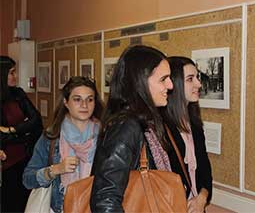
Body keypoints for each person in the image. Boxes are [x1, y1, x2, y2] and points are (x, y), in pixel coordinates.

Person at [90, 45, 173, 212]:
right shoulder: (126, 127)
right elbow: (105, 200)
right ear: (140, 82)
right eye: (163, 79)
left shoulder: (145, 123)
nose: (170, 85)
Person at [23, 76, 104, 213]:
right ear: (66, 102)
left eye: (89, 99)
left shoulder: (105, 137)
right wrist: (55, 170)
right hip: (61, 207)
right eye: (77, 99)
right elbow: (27, 179)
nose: (84, 105)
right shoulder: (51, 137)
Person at [162, 56, 213, 213]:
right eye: (190, 79)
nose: (199, 83)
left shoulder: (195, 124)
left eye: (197, 77)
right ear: (174, 84)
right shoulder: (160, 127)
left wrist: (202, 198)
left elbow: (205, 168)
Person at [0, 55, 43, 212]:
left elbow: (36, 121)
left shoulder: (18, 94)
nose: (15, 76)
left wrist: (13, 130)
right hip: (5, 164)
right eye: (12, 72)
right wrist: (23, 131)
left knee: (24, 204)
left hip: (25, 158)